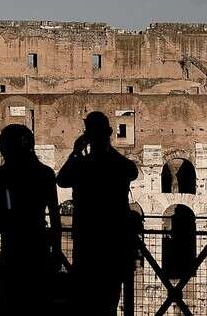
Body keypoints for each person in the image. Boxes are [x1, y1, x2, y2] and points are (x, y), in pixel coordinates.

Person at [56, 111, 140, 315]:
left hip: (88, 240)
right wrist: (109, 150)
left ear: (87, 136)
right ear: (110, 133)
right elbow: (133, 171)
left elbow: (61, 180)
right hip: (113, 241)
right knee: (110, 300)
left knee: (87, 302)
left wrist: (76, 152)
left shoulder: (83, 164)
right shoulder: (119, 164)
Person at [0, 124, 62, 315]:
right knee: (38, 304)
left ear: (17, 145)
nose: (0, 149)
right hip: (39, 246)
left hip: (13, 245)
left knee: (9, 303)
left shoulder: (4, 174)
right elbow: (54, 217)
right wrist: (57, 251)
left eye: (3, 144)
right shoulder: (46, 173)